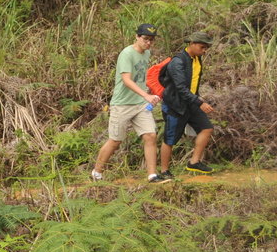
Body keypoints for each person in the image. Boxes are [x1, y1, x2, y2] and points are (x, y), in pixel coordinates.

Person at [90, 24, 166, 183]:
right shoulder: (127, 54)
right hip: (122, 104)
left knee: (150, 135)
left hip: (140, 104)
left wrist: (151, 93)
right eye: (145, 39)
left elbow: (142, 77)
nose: (148, 43)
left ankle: (152, 175)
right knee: (115, 141)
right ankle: (97, 173)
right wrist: (146, 95)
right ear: (137, 37)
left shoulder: (146, 54)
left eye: (151, 40)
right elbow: (126, 80)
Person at [159, 32, 216, 177]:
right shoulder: (178, 62)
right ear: (191, 43)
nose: (204, 51)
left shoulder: (196, 59)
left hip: (190, 102)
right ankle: (164, 171)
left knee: (207, 128)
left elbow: (192, 84)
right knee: (170, 139)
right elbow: (181, 88)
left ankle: (194, 162)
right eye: (202, 47)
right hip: (176, 105)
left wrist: (196, 100)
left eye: (206, 48)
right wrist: (200, 102)